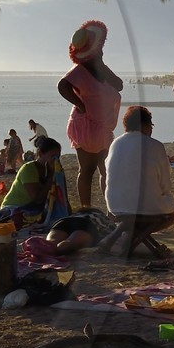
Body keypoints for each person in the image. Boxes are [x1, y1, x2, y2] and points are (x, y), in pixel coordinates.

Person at [57, 20, 122, 209]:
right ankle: (86, 208)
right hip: (85, 125)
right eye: (100, 48)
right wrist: (79, 103)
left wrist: (101, 64)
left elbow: (119, 85)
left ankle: (110, 209)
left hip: (102, 126)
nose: (102, 51)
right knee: (87, 169)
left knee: (105, 169)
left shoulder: (100, 68)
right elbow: (62, 86)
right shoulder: (79, 70)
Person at [100, 106, 174, 256]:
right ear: (145, 125)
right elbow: (166, 186)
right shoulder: (155, 145)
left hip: (115, 206)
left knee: (132, 213)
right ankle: (134, 239)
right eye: (150, 126)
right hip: (143, 208)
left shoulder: (115, 144)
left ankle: (119, 237)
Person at [0, 136, 65, 226]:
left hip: (33, 209)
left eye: (57, 157)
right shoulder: (29, 169)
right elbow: (37, 199)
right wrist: (51, 177)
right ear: (40, 154)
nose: (55, 160)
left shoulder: (49, 170)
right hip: (14, 209)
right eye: (52, 156)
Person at [44, 208, 116, 255]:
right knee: (68, 244)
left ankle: (42, 248)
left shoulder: (77, 213)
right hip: (87, 224)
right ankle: (58, 249)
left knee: (50, 243)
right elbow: (112, 233)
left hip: (64, 221)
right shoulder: (103, 218)